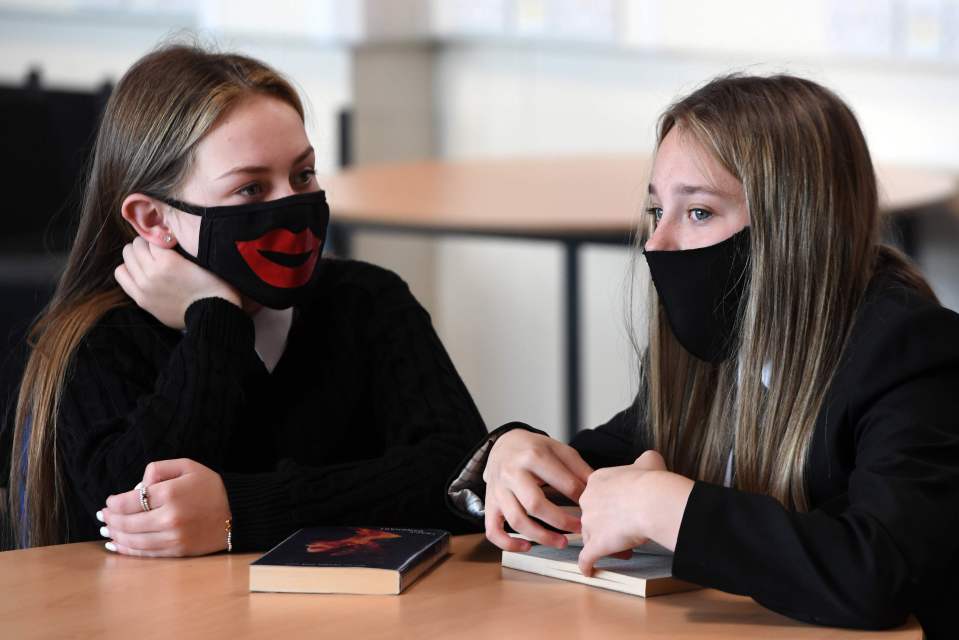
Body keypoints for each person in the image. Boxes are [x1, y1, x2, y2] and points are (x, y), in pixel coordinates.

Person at [448, 74, 959, 637]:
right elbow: (610, 470)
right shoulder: (711, 349)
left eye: (697, 213)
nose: (657, 244)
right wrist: (509, 460)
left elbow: (880, 573)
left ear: (794, 225)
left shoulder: (908, 352)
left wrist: (672, 510)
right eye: (655, 212)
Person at [6, 43, 487, 556]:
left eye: (302, 175)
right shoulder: (99, 341)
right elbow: (135, 511)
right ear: (153, 219)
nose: (293, 207)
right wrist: (214, 322)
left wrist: (241, 510)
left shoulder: (368, 301)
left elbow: (464, 476)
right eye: (251, 190)